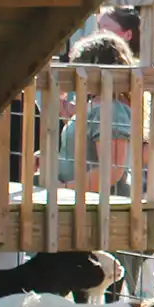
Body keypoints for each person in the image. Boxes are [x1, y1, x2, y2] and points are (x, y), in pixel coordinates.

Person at [54, 32, 141, 196]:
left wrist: (65, 188)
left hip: (99, 206)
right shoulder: (96, 105)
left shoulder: (111, 109)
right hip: (81, 201)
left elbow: (111, 171)